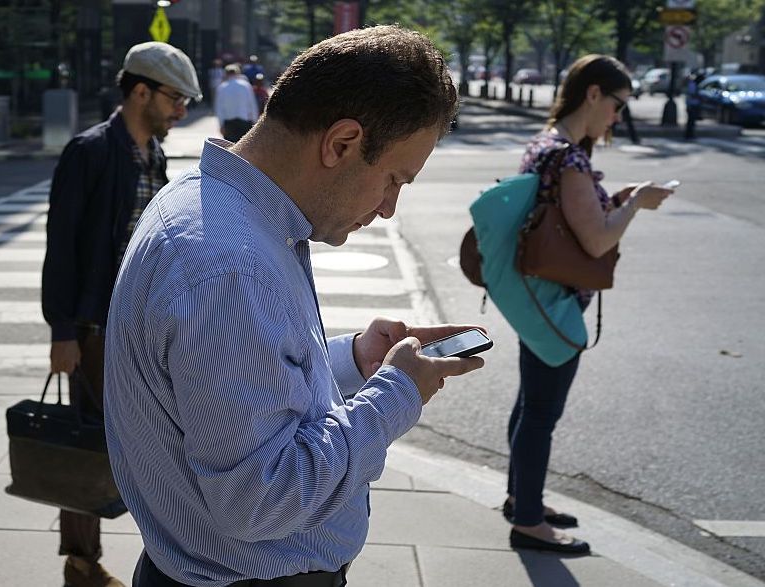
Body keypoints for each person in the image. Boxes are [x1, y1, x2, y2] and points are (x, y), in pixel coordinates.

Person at [105, 25, 484, 587]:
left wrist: (353, 361)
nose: (387, 208)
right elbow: (259, 499)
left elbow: (244, 394)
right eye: (394, 179)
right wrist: (396, 392)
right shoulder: (228, 263)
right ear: (341, 144)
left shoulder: (210, 202)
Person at [41, 41, 200, 587]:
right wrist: (63, 331)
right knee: (87, 446)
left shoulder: (152, 154)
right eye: (176, 99)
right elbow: (61, 248)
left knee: (150, 444)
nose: (182, 111)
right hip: (94, 328)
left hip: (145, 325)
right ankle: (80, 564)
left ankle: (163, 556)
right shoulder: (88, 152)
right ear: (140, 91)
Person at [503, 54, 673, 555]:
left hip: (536, 295)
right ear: (594, 94)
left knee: (529, 403)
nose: (618, 117)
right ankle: (529, 522)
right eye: (618, 104)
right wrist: (635, 203)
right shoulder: (569, 158)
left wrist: (616, 199)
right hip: (556, 303)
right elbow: (596, 242)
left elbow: (567, 218)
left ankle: (522, 499)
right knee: (540, 412)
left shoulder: (545, 145)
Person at [215, 63, 259, 142]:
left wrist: (221, 124)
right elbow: (252, 104)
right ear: (238, 73)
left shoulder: (222, 87)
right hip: (244, 121)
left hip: (229, 123)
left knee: (231, 149)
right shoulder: (246, 85)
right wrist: (254, 121)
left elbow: (219, 108)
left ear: (226, 73)